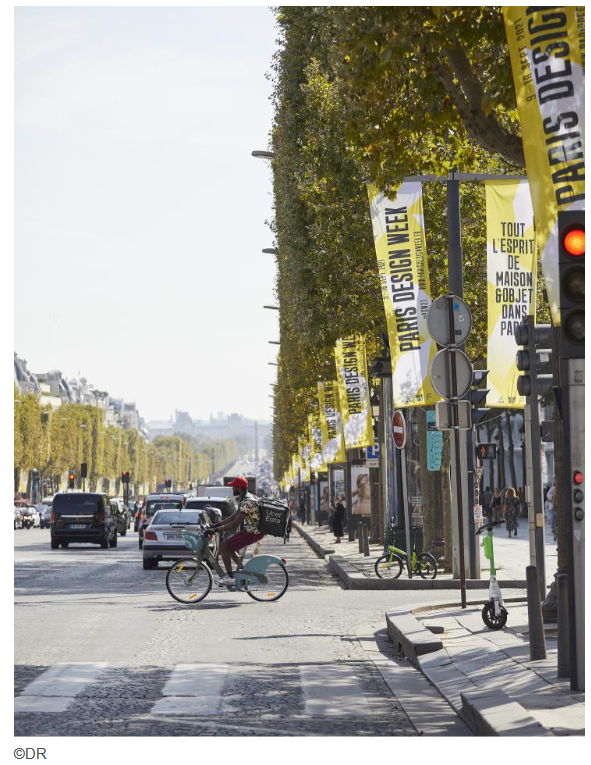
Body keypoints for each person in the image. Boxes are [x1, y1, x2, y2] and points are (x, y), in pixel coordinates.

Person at [210, 476, 263, 586]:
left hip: (252, 532)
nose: (232, 489)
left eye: (234, 487)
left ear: (239, 487)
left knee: (223, 546)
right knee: (229, 547)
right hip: (251, 531)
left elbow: (236, 523)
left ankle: (230, 578)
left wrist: (217, 529)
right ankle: (245, 573)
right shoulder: (245, 499)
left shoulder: (247, 502)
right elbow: (234, 516)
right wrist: (217, 524)